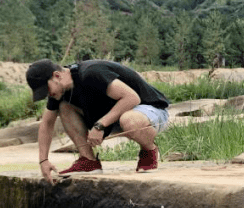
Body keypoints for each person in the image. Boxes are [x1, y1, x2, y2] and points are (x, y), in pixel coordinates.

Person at [26, 59, 171, 180]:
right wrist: (43, 160)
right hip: (117, 116)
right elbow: (46, 124)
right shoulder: (59, 92)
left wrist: (100, 126)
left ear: (57, 76)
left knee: (129, 120)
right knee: (64, 107)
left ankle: (149, 151)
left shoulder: (90, 73)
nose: (48, 95)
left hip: (150, 110)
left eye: (47, 89)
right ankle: (88, 161)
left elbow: (132, 98)